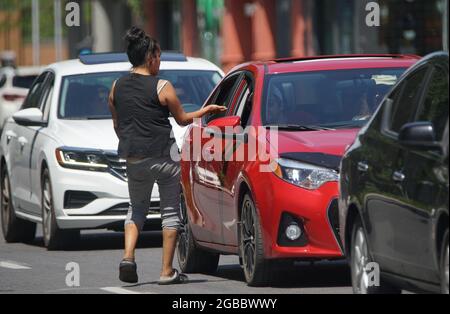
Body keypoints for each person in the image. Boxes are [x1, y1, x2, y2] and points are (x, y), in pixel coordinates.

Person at [108, 26, 226, 285]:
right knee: (170, 212)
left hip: (134, 158)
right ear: (150, 58)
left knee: (136, 209)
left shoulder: (116, 87)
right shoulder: (162, 86)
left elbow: (118, 125)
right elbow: (183, 120)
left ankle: (128, 257)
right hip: (164, 157)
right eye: (158, 57)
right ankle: (166, 272)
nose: (160, 62)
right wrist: (206, 109)